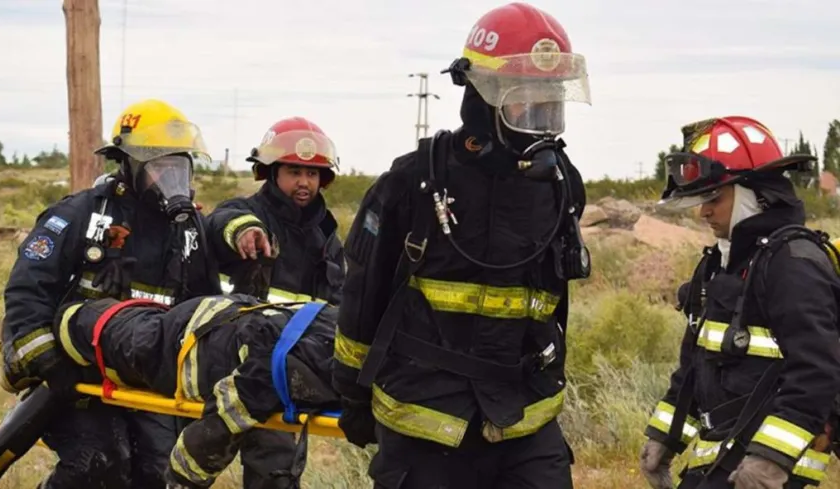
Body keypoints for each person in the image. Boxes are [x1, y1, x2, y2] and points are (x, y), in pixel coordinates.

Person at [331, 3, 592, 488]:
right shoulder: (412, 181)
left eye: (549, 100)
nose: (540, 117)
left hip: (525, 416)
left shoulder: (559, 185)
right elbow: (362, 295)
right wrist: (350, 392)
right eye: (525, 100)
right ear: (482, 97)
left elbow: (557, 304)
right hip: (425, 417)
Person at [0, 98, 225, 489]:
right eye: (160, 168)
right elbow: (27, 291)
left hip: (145, 377)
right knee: (99, 461)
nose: (171, 180)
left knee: (160, 472)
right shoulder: (81, 214)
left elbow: (205, 305)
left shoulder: (190, 230)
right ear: (129, 164)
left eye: (179, 167)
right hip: (72, 374)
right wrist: (49, 363)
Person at [639, 116, 840, 489]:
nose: (704, 212)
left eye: (714, 198)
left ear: (754, 196)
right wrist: (666, 436)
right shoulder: (721, 266)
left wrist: (771, 460)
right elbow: (697, 367)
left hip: (773, 474)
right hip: (722, 463)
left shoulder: (794, 264)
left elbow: (816, 372)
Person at [50, 292, 340, 489]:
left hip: (232, 320)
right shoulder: (290, 372)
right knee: (92, 329)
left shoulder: (353, 334)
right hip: (172, 343)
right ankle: (47, 329)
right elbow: (210, 436)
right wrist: (181, 483)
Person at [206, 116, 345, 305]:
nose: (304, 182)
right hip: (239, 332)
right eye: (294, 172)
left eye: (312, 173)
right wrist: (242, 230)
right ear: (272, 173)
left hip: (307, 335)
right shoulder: (246, 213)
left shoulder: (328, 241)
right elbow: (219, 221)